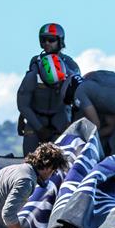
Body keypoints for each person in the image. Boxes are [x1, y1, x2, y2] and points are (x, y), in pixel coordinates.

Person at [44, 60, 115, 156]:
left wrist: (80, 141)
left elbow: (95, 125)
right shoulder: (95, 86)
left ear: (70, 94)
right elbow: (111, 126)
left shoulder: (79, 92)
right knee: (114, 146)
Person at [16, 23, 81, 155]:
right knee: (29, 160)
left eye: (51, 40)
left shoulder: (71, 65)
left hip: (60, 118)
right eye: (43, 39)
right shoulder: (34, 65)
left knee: (62, 162)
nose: (47, 43)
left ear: (60, 41)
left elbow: (78, 98)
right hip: (36, 119)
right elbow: (24, 99)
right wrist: (24, 118)